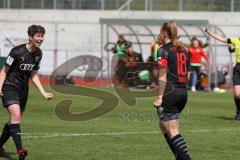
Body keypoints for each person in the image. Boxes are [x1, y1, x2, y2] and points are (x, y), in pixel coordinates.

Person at [0, 25, 53, 159]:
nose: (41, 39)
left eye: (42, 36)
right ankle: (20, 150)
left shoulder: (38, 54)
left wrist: (44, 93)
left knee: (14, 120)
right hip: (10, 87)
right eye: (38, 36)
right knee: (16, 116)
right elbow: (4, 71)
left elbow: (34, 75)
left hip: (24, 90)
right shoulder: (16, 52)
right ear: (30, 37)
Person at [154, 21, 191, 160]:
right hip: (183, 93)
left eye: (159, 32)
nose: (158, 35)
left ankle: (185, 158)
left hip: (170, 93)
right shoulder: (184, 50)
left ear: (164, 33)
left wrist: (159, 97)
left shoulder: (163, 50)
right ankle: (180, 156)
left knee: (172, 130)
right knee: (164, 127)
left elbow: (162, 76)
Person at [205, 27, 240, 120]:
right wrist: (210, 32)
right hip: (238, 69)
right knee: (237, 94)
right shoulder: (236, 41)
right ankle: (238, 111)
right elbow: (222, 39)